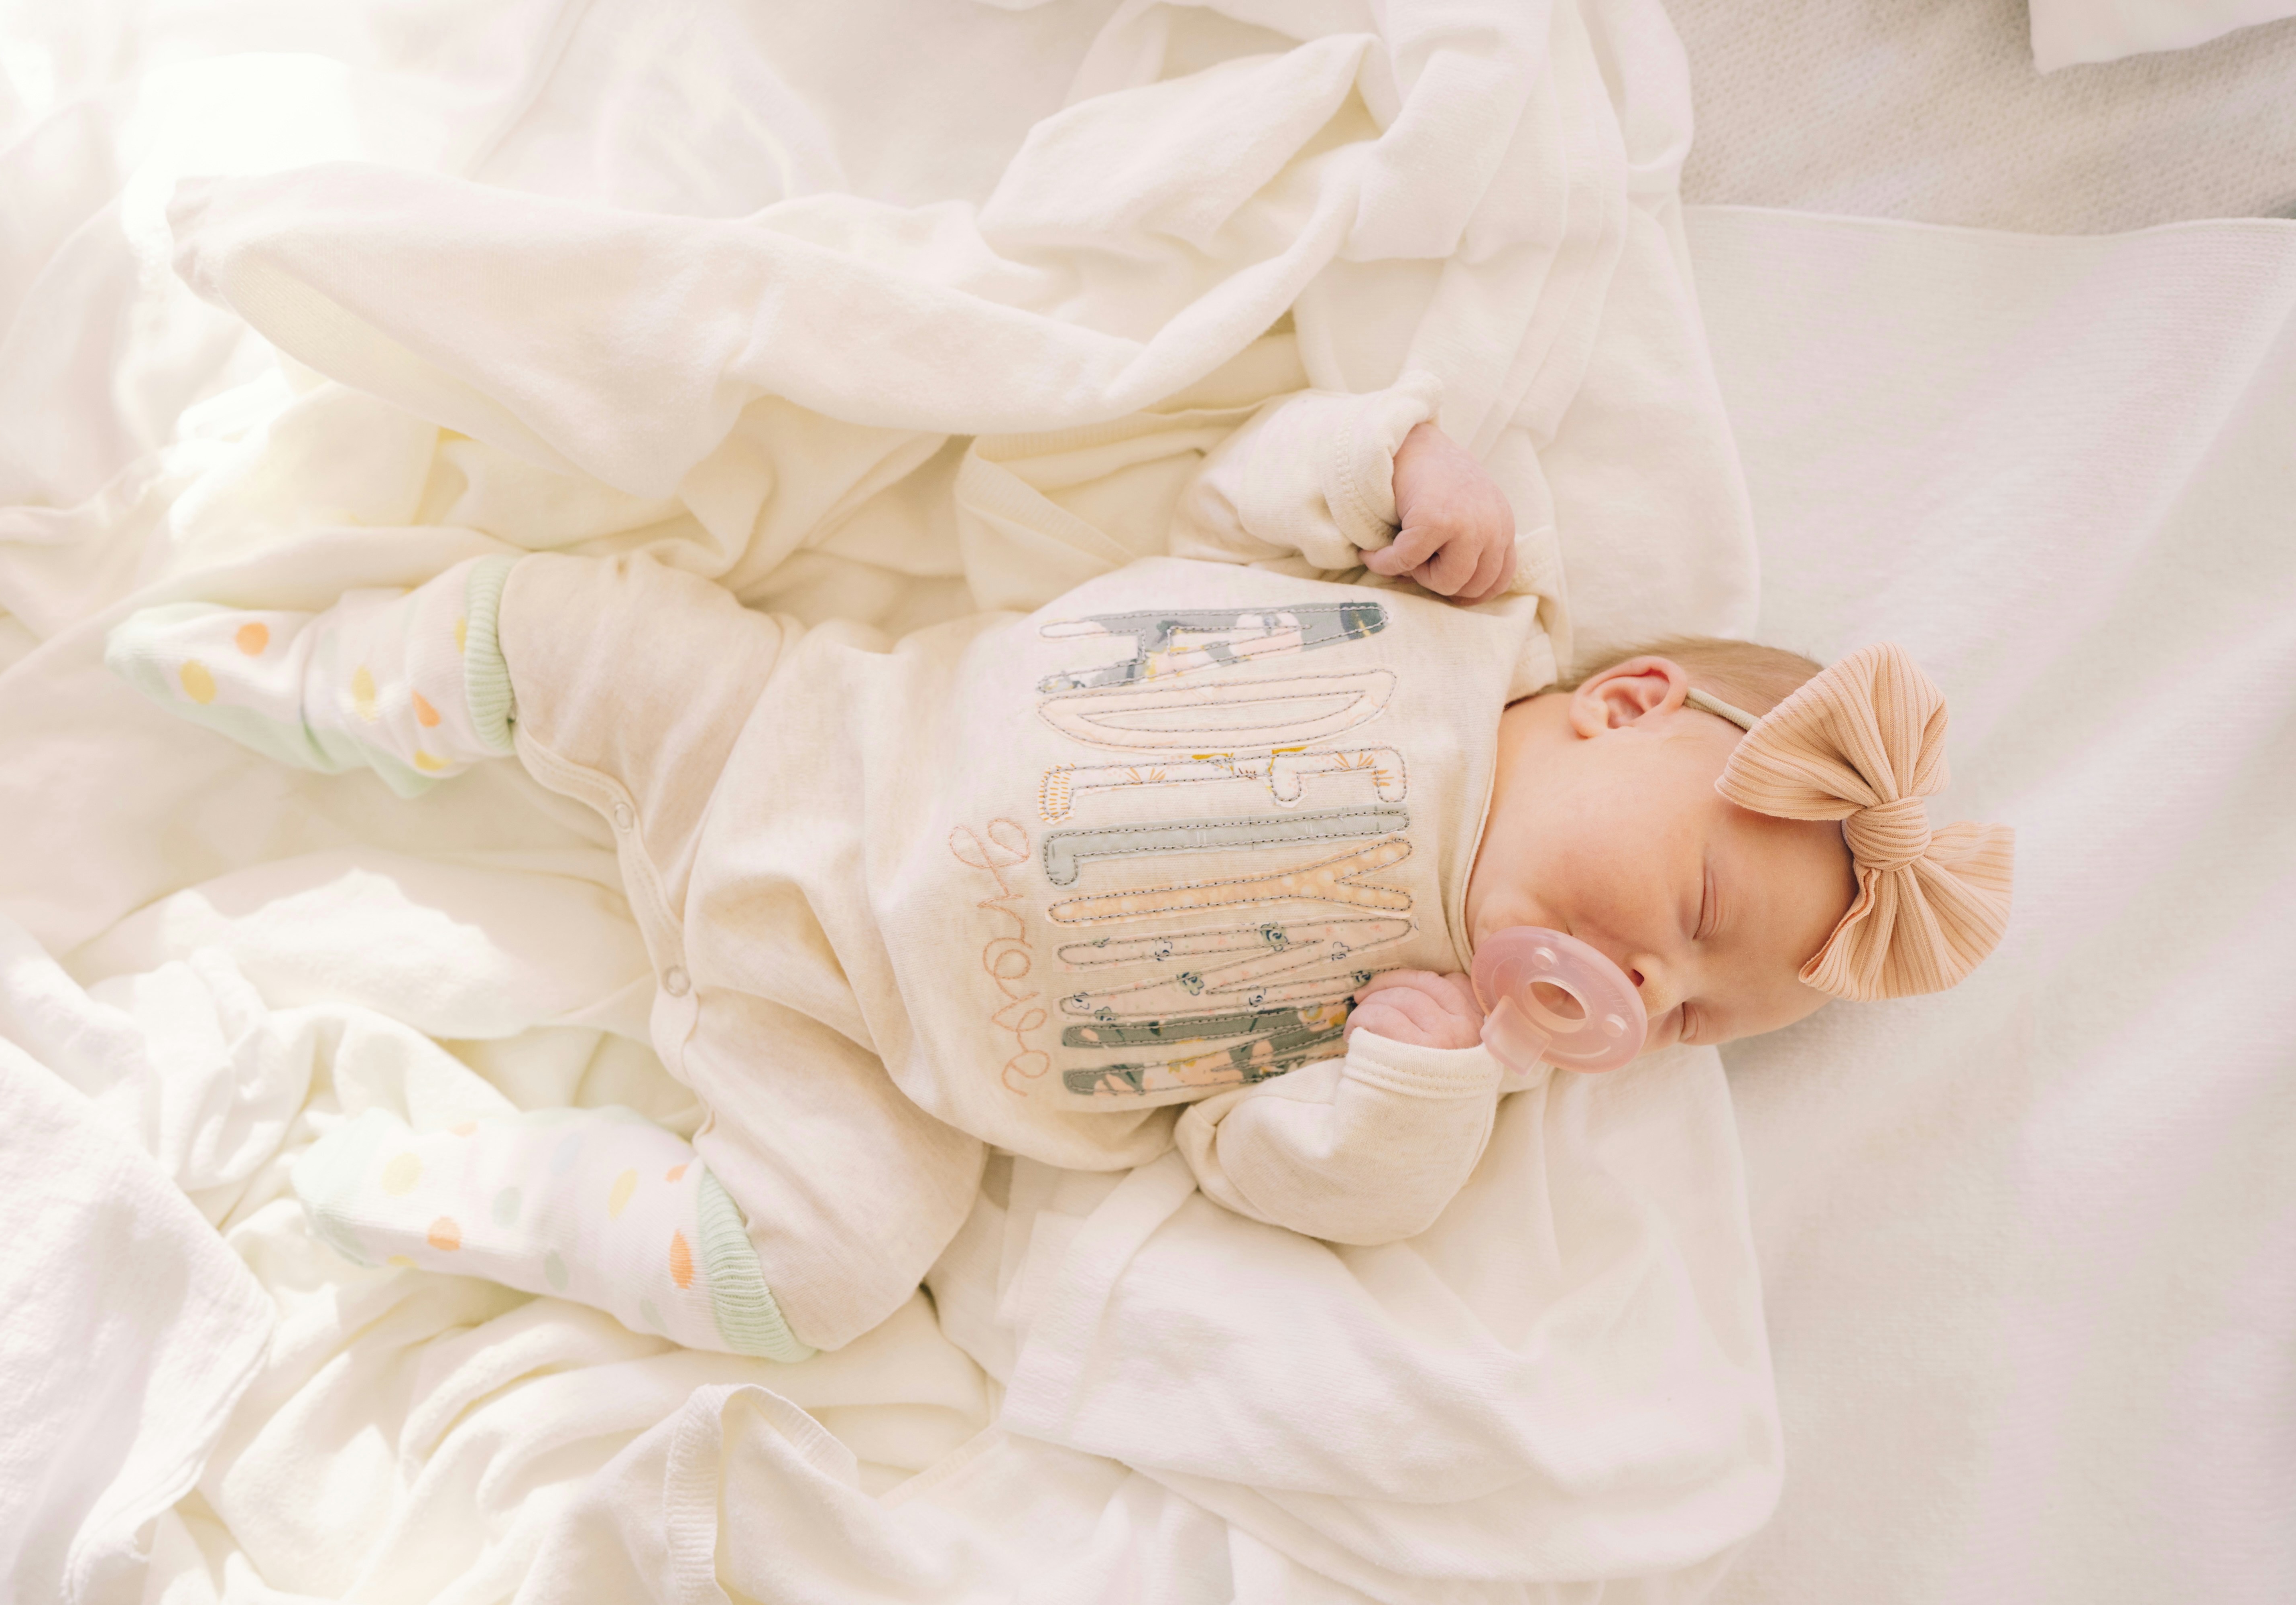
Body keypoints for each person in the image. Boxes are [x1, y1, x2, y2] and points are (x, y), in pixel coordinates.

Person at [107, 395, 2013, 1362]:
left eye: (1691, 1020)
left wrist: (1416, 1076)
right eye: (1686, 917)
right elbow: (1235, 496)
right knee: (581, 629)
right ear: (1630, 705)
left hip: (879, 1052)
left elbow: (1258, 1167)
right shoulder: (1444, 623)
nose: (1644, 991)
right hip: (800, 741)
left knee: (824, 1275)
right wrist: (1408, 457)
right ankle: (337, 677)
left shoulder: (1447, 1046)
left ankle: (478, 1190)